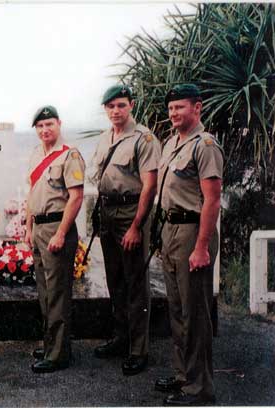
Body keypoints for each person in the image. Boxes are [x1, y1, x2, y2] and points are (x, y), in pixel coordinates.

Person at [155, 84, 223, 406]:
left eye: (180, 107)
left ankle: (199, 389)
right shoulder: (171, 143)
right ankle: (184, 377)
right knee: (178, 312)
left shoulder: (205, 145)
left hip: (193, 234)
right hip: (172, 232)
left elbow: (212, 201)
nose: (173, 114)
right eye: (170, 109)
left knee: (195, 314)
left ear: (197, 108)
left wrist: (202, 247)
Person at [91, 85, 160, 376]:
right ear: (105, 110)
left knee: (135, 282)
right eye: (110, 107)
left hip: (131, 213)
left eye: (121, 105)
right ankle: (121, 338)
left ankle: (138, 349)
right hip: (107, 213)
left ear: (131, 105)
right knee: (115, 279)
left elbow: (150, 185)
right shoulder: (105, 138)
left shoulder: (143, 138)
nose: (116, 111)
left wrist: (136, 226)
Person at [25, 105, 85, 373]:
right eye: (39, 126)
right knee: (45, 293)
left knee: (58, 293)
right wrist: (28, 227)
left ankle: (59, 354)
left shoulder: (69, 155)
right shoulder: (37, 154)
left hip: (56, 228)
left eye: (49, 124)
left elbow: (76, 196)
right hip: (38, 229)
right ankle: (51, 344)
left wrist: (61, 233)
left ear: (59, 124)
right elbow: (32, 194)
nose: (44, 130)